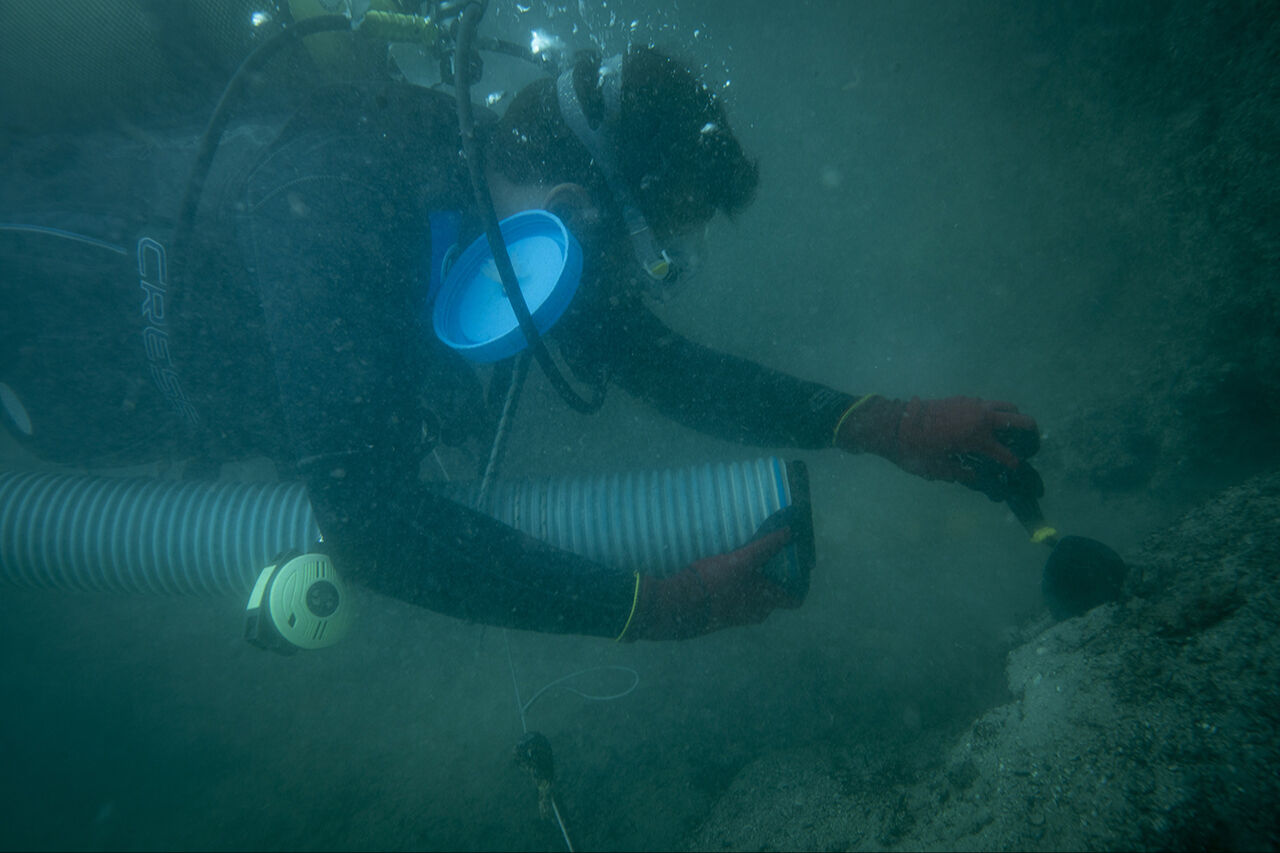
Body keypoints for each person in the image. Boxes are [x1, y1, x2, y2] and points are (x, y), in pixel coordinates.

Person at [0, 36, 1041, 641]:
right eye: (643, 251)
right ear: (576, 206)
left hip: (76, 407)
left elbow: (660, 365)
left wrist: (888, 424)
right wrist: (652, 607)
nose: (621, 289)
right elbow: (368, 523)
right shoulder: (338, 193)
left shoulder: (507, 228)